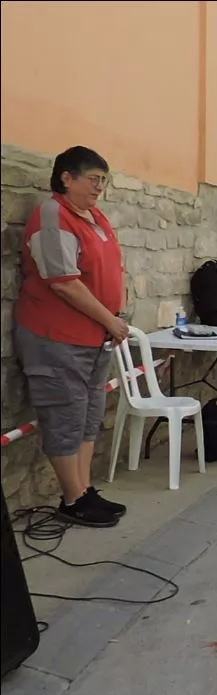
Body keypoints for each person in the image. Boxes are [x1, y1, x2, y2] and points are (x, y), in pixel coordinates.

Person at [14, 145, 128, 528]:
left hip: (94, 339)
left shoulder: (95, 217)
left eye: (103, 182)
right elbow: (63, 282)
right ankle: (72, 498)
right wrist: (111, 322)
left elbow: (110, 268)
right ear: (67, 177)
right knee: (64, 415)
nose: (100, 188)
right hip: (57, 337)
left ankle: (85, 489)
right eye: (94, 180)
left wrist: (115, 316)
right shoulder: (53, 215)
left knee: (87, 416)